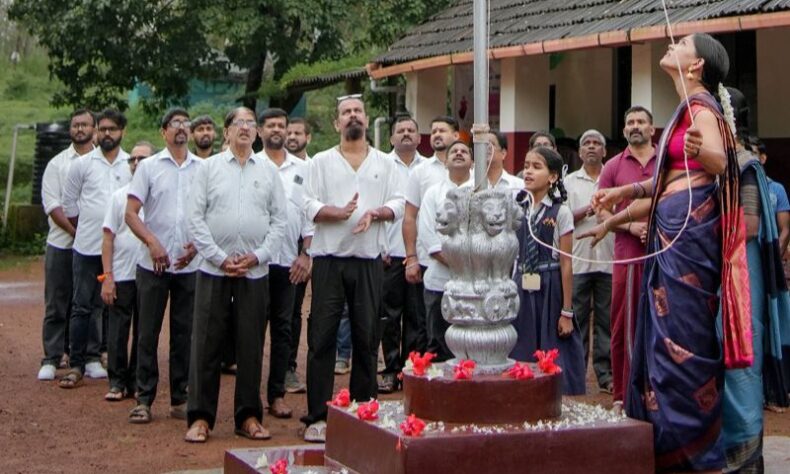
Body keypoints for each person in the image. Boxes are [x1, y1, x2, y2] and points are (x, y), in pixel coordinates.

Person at [583, 33, 748, 471]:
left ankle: (693, 451)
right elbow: (664, 185)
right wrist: (617, 205)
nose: (673, 45)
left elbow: (721, 161)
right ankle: (665, 444)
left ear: (697, 65)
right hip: (671, 232)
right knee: (662, 338)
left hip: (690, 238)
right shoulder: (684, 108)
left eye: (683, 44)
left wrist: (701, 149)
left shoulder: (702, 108)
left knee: (683, 338)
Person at [300, 95, 404, 442]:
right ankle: (318, 417)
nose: (353, 116)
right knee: (322, 338)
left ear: (366, 119)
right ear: (337, 123)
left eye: (358, 111)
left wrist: (376, 213)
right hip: (329, 260)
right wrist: (335, 212)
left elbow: (398, 202)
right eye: (346, 112)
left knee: (366, 337)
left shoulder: (385, 163)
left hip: (368, 260)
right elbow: (306, 202)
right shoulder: (321, 162)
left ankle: (364, 412)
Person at [185, 107, 287, 443]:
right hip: (213, 269)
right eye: (238, 123)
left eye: (250, 123)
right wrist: (218, 257)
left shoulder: (269, 171)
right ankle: (200, 417)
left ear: (256, 132)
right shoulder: (208, 169)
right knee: (206, 343)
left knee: (251, 344)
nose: (244, 128)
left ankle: (248, 416)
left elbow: (279, 222)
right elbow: (194, 218)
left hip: (253, 271)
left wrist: (258, 256)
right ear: (226, 131)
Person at [719, 88, 790, 472]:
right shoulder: (719, 162)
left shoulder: (744, 164)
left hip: (741, 285)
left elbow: (747, 226)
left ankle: (746, 464)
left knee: (740, 368)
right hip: (723, 280)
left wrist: (691, 228)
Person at [125, 109, 201, 424]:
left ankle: (180, 397)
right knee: (147, 332)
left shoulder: (204, 168)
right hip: (152, 265)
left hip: (189, 265)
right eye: (174, 124)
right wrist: (152, 243)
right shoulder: (149, 167)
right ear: (163, 132)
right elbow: (131, 213)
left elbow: (211, 212)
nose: (181, 128)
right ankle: (143, 399)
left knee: (185, 333)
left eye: (185, 123)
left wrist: (197, 247)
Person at [60, 108, 132, 388]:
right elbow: (69, 204)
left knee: (115, 306)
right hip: (87, 246)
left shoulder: (131, 164)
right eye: (102, 129)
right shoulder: (82, 164)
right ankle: (77, 364)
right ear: (96, 132)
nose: (107, 134)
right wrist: (87, 226)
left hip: (120, 250)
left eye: (112, 129)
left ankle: (110, 363)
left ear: (122, 132)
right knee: (81, 305)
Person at [513, 147, 585, 395]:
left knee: (552, 344)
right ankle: (523, 393)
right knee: (522, 342)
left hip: (550, 285)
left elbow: (566, 263)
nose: (528, 171)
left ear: (553, 177)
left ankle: (554, 397)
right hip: (522, 283)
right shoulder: (518, 209)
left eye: (537, 167)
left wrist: (567, 311)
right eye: (526, 166)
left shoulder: (560, 212)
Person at [597, 106, 657, 406]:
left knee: (662, 320)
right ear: (623, 131)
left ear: (652, 129)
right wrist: (631, 226)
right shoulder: (613, 166)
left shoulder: (666, 162)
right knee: (624, 322)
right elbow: (601, 210)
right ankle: (623, 394)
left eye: (641, 122)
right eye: (630, 122)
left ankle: (657, 391)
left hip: (664, 254)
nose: (635, 126)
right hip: (627, 256)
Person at [255, 108, 313, 418]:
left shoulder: (304, 169)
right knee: (251, 330)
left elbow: (310, 215)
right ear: (260, 131)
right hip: (255, 262)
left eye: (282, 125)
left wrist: (306, 254)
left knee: (283, 329)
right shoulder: (251, 165)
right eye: (271, 125)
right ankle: (249, 398)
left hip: (289, 262)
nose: (277, 130)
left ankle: (276, 394)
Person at [38, 109, 95, 381]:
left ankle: (88, 356)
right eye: (75, 125)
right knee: (57, 302)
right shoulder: (57, 164)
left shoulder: (103, 163)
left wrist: (90, 235)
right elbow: (53, 205)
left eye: (85, 124)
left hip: (95, 247)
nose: (79, 129)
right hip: (61, 244)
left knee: (90, 303)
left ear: (94, 129)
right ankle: (52, 357)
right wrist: (77, 232)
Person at [402, 116, 460, 361]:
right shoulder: (420, 172)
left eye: (442, 130)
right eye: (433, 130)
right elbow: (410, 217)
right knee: (425, 326)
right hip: (428, 261)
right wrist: (411, 258)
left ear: (456, 135)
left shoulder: (473, 173)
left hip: (466, 267)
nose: (436, 134)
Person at [100, 141, 154, 401]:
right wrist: (107, 277)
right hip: (122, 273)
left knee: (145, 331)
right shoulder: (119, 197)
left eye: (142, 158)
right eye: (132, 159)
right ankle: (116, 381)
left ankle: (136, 381)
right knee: (118, 329)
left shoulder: (158, 196)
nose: (136, 163)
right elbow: (107, 238)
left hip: (150, 273)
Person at [378, 116, 428, 393]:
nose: (406, 134)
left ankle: (410, 369)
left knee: (416, 314)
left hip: (420, 254)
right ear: (391, 138)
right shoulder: (381, 166)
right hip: (390, 253)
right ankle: (390, 369)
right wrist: (380, 247)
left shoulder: (430, 168)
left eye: (411, 130)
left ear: (419, 138)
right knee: (388, 315)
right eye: (401, 130)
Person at [565, 129, 614, 394]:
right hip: (579, 260)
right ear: (580, 151)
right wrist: (589, 210)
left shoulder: (613, 178)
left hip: (609, 260)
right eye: (587, 143)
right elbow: (563, 218)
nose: (592, 147)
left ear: (604, 151)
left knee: (606, 321)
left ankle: (605, 375)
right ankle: (577, 375)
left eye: (597, 143)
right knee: (578, 321)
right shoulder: (569, 182)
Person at [420, 141, 474, 364]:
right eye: (454, 151)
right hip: (439, 283)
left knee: (470, 343)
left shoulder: (482, 192)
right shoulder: (433, 193)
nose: (459, 153)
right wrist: (458, 265)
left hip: (473, 283)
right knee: (437, 343)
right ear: (445, 162)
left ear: (472, 161)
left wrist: (471, 266)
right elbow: (428, 237)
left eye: (464, 151)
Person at [284, 117, 311, 393]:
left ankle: (287, 368)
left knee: (292, 312)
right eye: (289, 132)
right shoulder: (264, 165)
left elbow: (311, 215)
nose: (292, 137)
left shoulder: (311, 170)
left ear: (308, 137)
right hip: (265, 251)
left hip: (298, 249)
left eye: (297, 133)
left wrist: (307, 253)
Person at [750, 136, 790, 257]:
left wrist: (775, 258)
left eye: (752, 154)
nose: (747, 159)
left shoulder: (777, 189)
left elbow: (785, 229)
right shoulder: (733, 188)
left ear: (762, 158)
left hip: (768, 254)